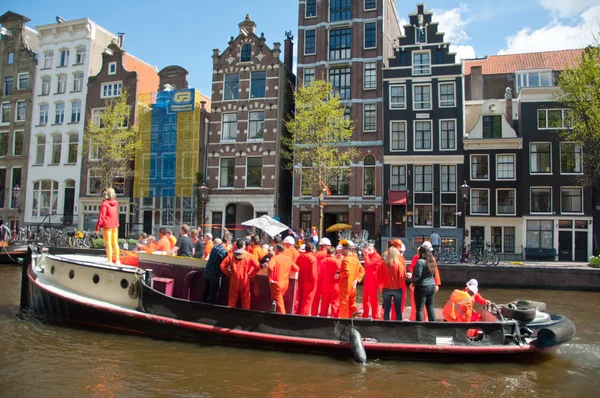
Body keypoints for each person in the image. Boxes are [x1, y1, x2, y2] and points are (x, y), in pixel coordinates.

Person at [219, 239, 260, 309]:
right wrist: (251, 275)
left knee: (232, 300)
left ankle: (230, 315)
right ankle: (245, 316)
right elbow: (258, 266)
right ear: (244, 246)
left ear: (236, 246)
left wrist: (228, 274)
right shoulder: (249, 256)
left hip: (234, 279)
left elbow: (222, 266)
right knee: (245, 300)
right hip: (245, 280)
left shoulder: (231, 256)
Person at [408, 241, 441, 321]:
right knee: (430, 307)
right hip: (431, 286)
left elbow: (418, 275)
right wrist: (436, 283)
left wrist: (412, 280)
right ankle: (432, 325)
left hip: (422, 287)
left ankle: (419, 327)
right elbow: (435, 273)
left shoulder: (420, 261)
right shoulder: (432, 260)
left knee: (419, 309)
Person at [268, 243, 299, 314]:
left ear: (276, 250)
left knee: (280, 303)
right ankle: (274, 305)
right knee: (278, 300)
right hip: (285, 284)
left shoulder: (274, 258)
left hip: (276, 284)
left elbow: (270, 267)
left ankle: (283, 318)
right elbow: (296, 269)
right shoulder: (288, 259)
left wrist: (270, 279)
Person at [377, 246, 406, 321]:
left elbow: (379, 277)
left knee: (386, 309)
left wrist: (382, 285)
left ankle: (386, 324)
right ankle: (399, 324)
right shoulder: (399, 264)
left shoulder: (383, 264)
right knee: (398, 309)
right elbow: (402, 277)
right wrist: (399, 285)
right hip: (397, 289)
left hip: (386, 288)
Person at [338, 242, 365, 318]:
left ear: (347, 250)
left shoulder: (346, 260)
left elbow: (347, 272)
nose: (341, 251)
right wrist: (357, 279)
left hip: (345, 286)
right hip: (353, 286)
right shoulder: (355, 259)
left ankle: (344, 320)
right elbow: (362, 270)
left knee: (344, 304)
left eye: (342, 249)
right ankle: (355, 319)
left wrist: (339, 275)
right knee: (352, 304)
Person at [95, 188, 120, 264]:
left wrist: (97, 227)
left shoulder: (104, 204)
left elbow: (102, 216)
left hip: (107, 225)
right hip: (115, 225)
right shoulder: (116, 203)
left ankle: (110, 260)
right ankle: (118, 260)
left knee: (108, 243)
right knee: (115, 243)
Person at [201, 238, 228, 304]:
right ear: (227, 242)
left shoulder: (215, 247)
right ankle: (210, 309)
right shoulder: (225, 252)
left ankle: (201, 306)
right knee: (213, 294)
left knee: (205, 291)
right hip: (215, 275)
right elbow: (224, 264)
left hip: (207, 272)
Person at [295, 242, 318, 315]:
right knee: (307, 302)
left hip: (300, 282)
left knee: (300, 300)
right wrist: (314, 283)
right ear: (312, 249)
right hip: (309, 283)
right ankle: (303, 317)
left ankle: (297, 316)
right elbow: (313, 273)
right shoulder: (313, 258)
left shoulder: (300, 257)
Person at [318, 246, 341, 317]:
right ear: (334, 252)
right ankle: (335, 320)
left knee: (324, 304)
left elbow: (320, 275)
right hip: (335, 284)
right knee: (335, 304)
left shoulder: (322, 262)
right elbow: (339, 272)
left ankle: (323, 319)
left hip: (325, 285)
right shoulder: (337, 261)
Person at [311, 237, 332, 316]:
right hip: (326, 279)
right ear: (326, 246)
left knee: (315, 298)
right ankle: (323, 315)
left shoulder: (316, 254)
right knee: (325, 299)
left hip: (317, 278)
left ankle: (314, 314)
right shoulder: (328, 254)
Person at [362, 243, 382, 319]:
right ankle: (365, 315)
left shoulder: (377, 256)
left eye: (367, 250)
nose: (366, 252)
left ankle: (375, 316)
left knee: (373, 298)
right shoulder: (370, 256)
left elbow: (368, 264)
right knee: (365, 298)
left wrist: (366, 255)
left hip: (373, 279)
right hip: (368, 278)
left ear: (371, 250)